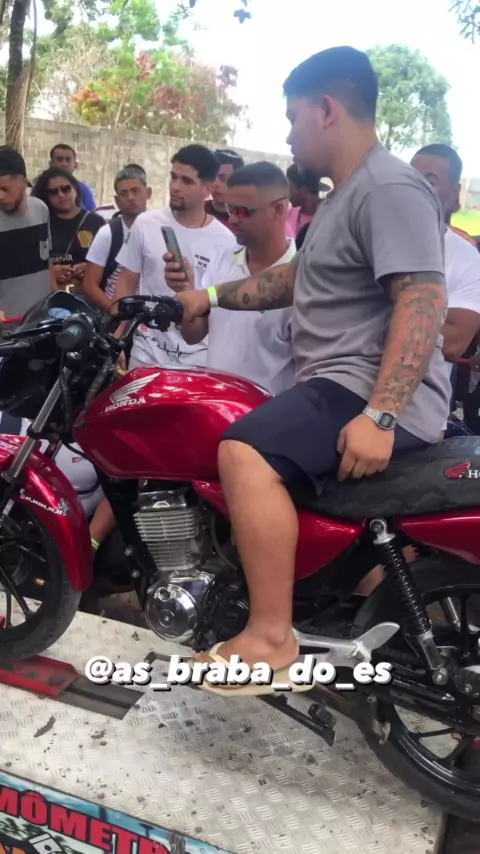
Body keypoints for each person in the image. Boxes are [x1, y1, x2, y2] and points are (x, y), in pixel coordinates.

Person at [165, 46, 451, 696]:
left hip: (364, 390)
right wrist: (207, 297)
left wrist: (381, 415)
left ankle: (271, 639)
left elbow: (422, 298)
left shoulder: (388, 187)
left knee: (242, 451)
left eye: (293, 117)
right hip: (339, 385)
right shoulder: (345, 197)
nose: (290, 134)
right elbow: (292, 282)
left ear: (326, 110)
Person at [171, 161, 297, 394]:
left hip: (266, 413)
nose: (233, 220)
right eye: (230, 209)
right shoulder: (223, 258)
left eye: (244, 211)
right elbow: (193, 335)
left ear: (279, 209)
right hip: (213, 405)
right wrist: (186, 290)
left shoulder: (300, 279)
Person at [114, 143, 236, 369]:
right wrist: (117, 338)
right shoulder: (145, 223)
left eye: (186, 181)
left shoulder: (227, 242)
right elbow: (126, 282)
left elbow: (220, 312)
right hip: (146, 352)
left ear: (208, 188)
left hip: (197, 358)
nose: (175, 187)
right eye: (173, 177)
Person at [83, 165, 152, 311]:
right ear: (117, 200)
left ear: (148, 193)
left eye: (135, 191)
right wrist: (116, 313)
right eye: (124, 193)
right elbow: (90, 286)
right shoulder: (108, 234)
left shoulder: (159, 230)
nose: (130, 197)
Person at [0, 146, 55, 317]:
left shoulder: (41, 210)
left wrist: (56, 299)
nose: (0, 196)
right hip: (6, 324)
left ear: (24, 182)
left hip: (40, 320)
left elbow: (46, 260)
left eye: (5, 189)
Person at [31, 167, 104, 294]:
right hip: (48, 293)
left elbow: (110, 262)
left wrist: (91, 269)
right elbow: (30, 262)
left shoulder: (96, 222)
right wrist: (51, 272)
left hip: (87, 293)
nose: (61, 195)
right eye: (53, 192)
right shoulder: (40, 223)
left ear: (75, 189)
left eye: (65, 189)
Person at [411, 144, 477, 249]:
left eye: (430, 183)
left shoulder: (463, 249)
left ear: (453, 194)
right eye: (410, 179)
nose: (414, 188)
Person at [286, 162, 329, 238]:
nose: (287, 194)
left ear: (303, 191)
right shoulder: (288, 213)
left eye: (290, 188)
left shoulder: (328, 218)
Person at [49, 144, 96, 212]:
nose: (64, 164)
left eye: (68, 160)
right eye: (59, 160)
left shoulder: (84, 190)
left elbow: (91, 214)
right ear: (51, 164)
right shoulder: (40, 187)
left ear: (75, 165)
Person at [205, 149, 245, 228]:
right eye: (213, 177)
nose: (215, 184)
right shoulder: (198, 212)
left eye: (223, 178)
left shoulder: (245, 220)